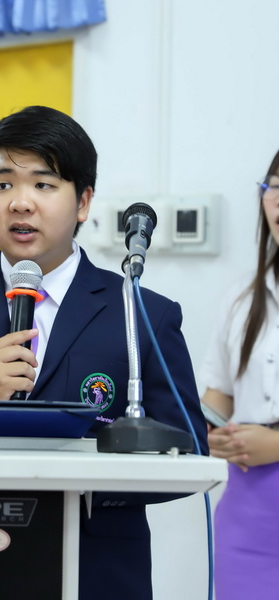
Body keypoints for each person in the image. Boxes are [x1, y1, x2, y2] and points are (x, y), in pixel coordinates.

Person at [0, 105, 208, 600]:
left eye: (43, 184)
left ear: (83, 202)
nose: (21, 202)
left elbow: (189, 450)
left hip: (96, 576)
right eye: (2, 185)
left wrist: (78, 482)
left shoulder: (142, 314)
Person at [202, 148, 279, 600]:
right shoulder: (242, 299)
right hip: (248, 517)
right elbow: (220, 396)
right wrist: (210, 432)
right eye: (275, 188)